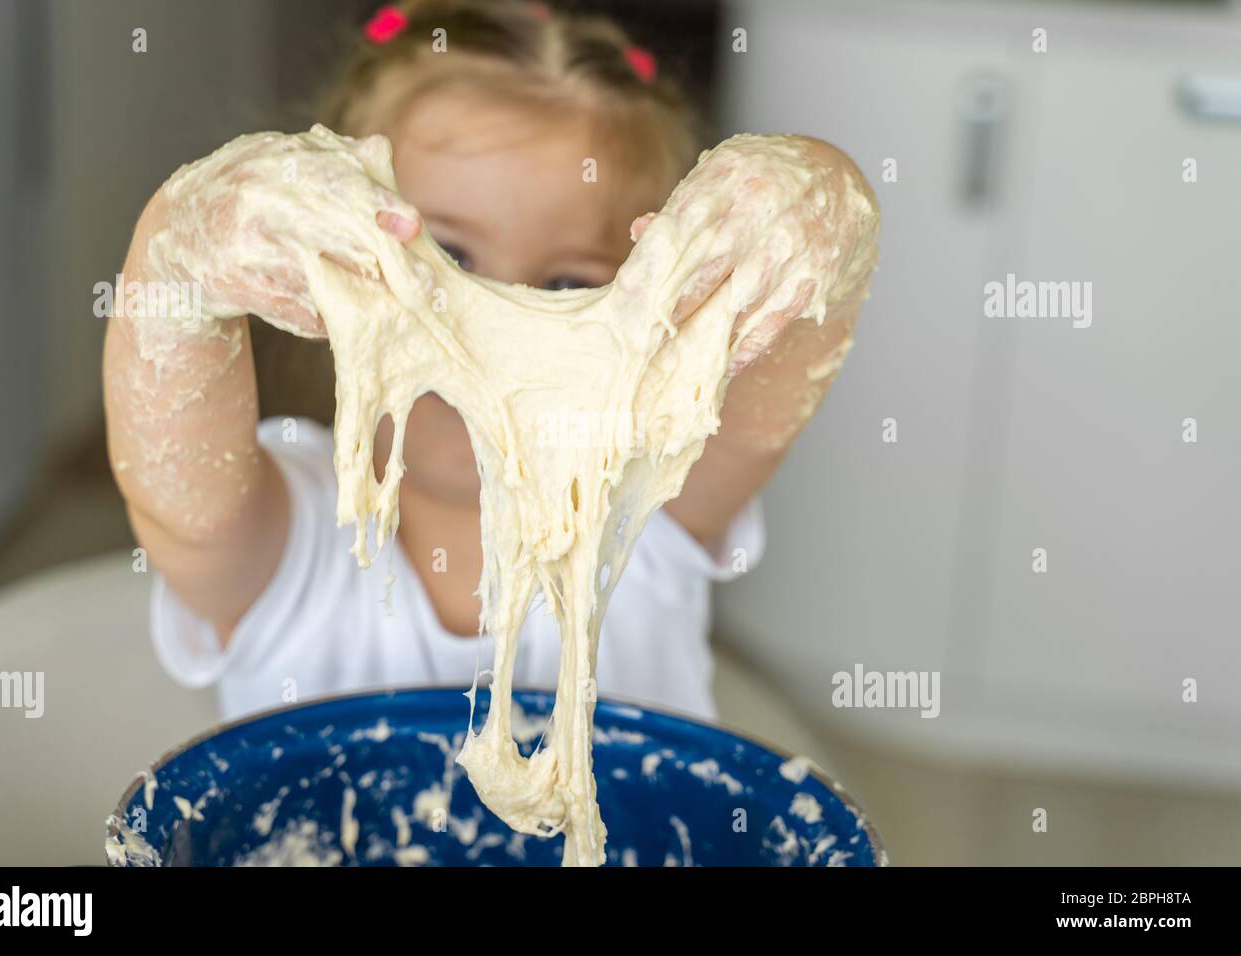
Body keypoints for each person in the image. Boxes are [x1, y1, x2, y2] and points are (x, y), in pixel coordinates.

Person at [103, 0, 877, 723]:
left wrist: (822, 200)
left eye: (569, 284)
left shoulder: (649, 507)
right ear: (323, 266)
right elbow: (183, 507)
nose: (493, 323)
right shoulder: (283, 541)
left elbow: (774, 388)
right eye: (446, 257)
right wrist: (177, 255)